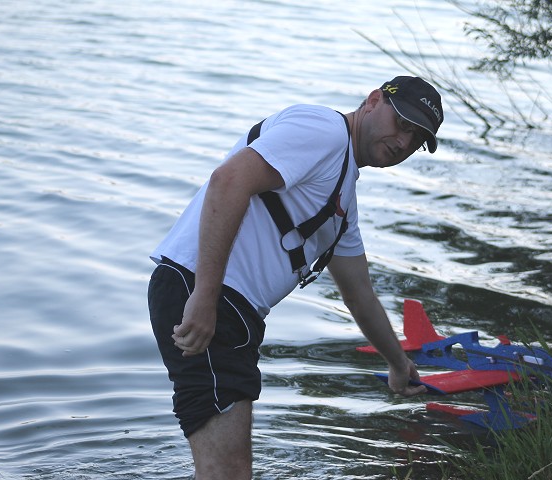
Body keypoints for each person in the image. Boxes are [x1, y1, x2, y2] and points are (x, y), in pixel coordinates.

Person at [148, 75, 444, 479]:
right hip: (208, 294)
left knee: (226, 470)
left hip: (230, 307)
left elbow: (360, 296)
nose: (404, 142)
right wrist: (203, 295)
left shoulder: (344, 198)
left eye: (417, 139)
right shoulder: (323, 130)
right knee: (228, 471)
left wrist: (397, 363)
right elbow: (228, 181)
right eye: (403, 125)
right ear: (374, 101)